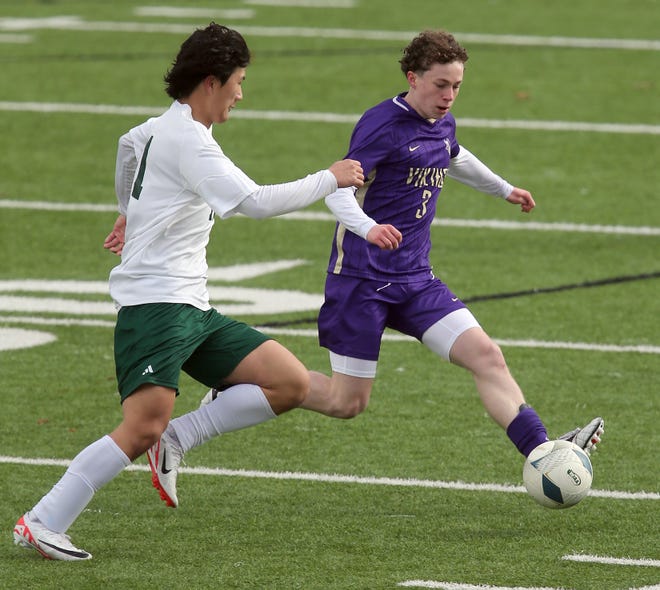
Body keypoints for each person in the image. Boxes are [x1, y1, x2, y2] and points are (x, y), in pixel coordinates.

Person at [149, 29, 604, 510]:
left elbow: (453, 155)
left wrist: (503, 189)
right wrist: (367, 229)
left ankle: (543, 451)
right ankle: (206, 414)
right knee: (347, 403)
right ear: (413, 77)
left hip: (415, 279)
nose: (449, 96)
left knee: (486, 355)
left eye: (456, 86)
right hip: (361, 282)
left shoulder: (441, 120)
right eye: (440, 85)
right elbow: (339, 189)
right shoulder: (381, 124)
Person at [12, 22, 364, 561]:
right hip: (157, 308)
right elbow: (254, 202)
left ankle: (180, 439)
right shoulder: (190, 142)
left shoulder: (159, 128)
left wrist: (130, 213)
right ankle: (43, 520)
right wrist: (329, 177)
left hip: (191, 308)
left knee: (289, 382)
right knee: (140, 428)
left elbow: (127, 148)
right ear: (210, 82)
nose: (241, 94)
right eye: (238, 82)